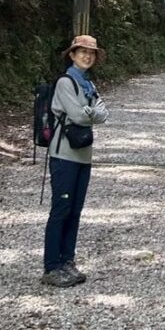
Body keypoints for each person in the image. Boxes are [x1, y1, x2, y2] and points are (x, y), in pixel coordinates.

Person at [41, 34, 110, 288]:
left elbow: (104, 113)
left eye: (91, 52)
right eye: (82, 51)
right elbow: (81, 116)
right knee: (61, 209)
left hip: (83, 155)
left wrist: (89, 112)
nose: (87, 56)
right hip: (64, 155)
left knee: (76, 210)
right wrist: (91, 112)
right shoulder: (65, 82)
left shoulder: (88, 84)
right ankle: (51, 266)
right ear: (72, 54)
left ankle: (67, 260)